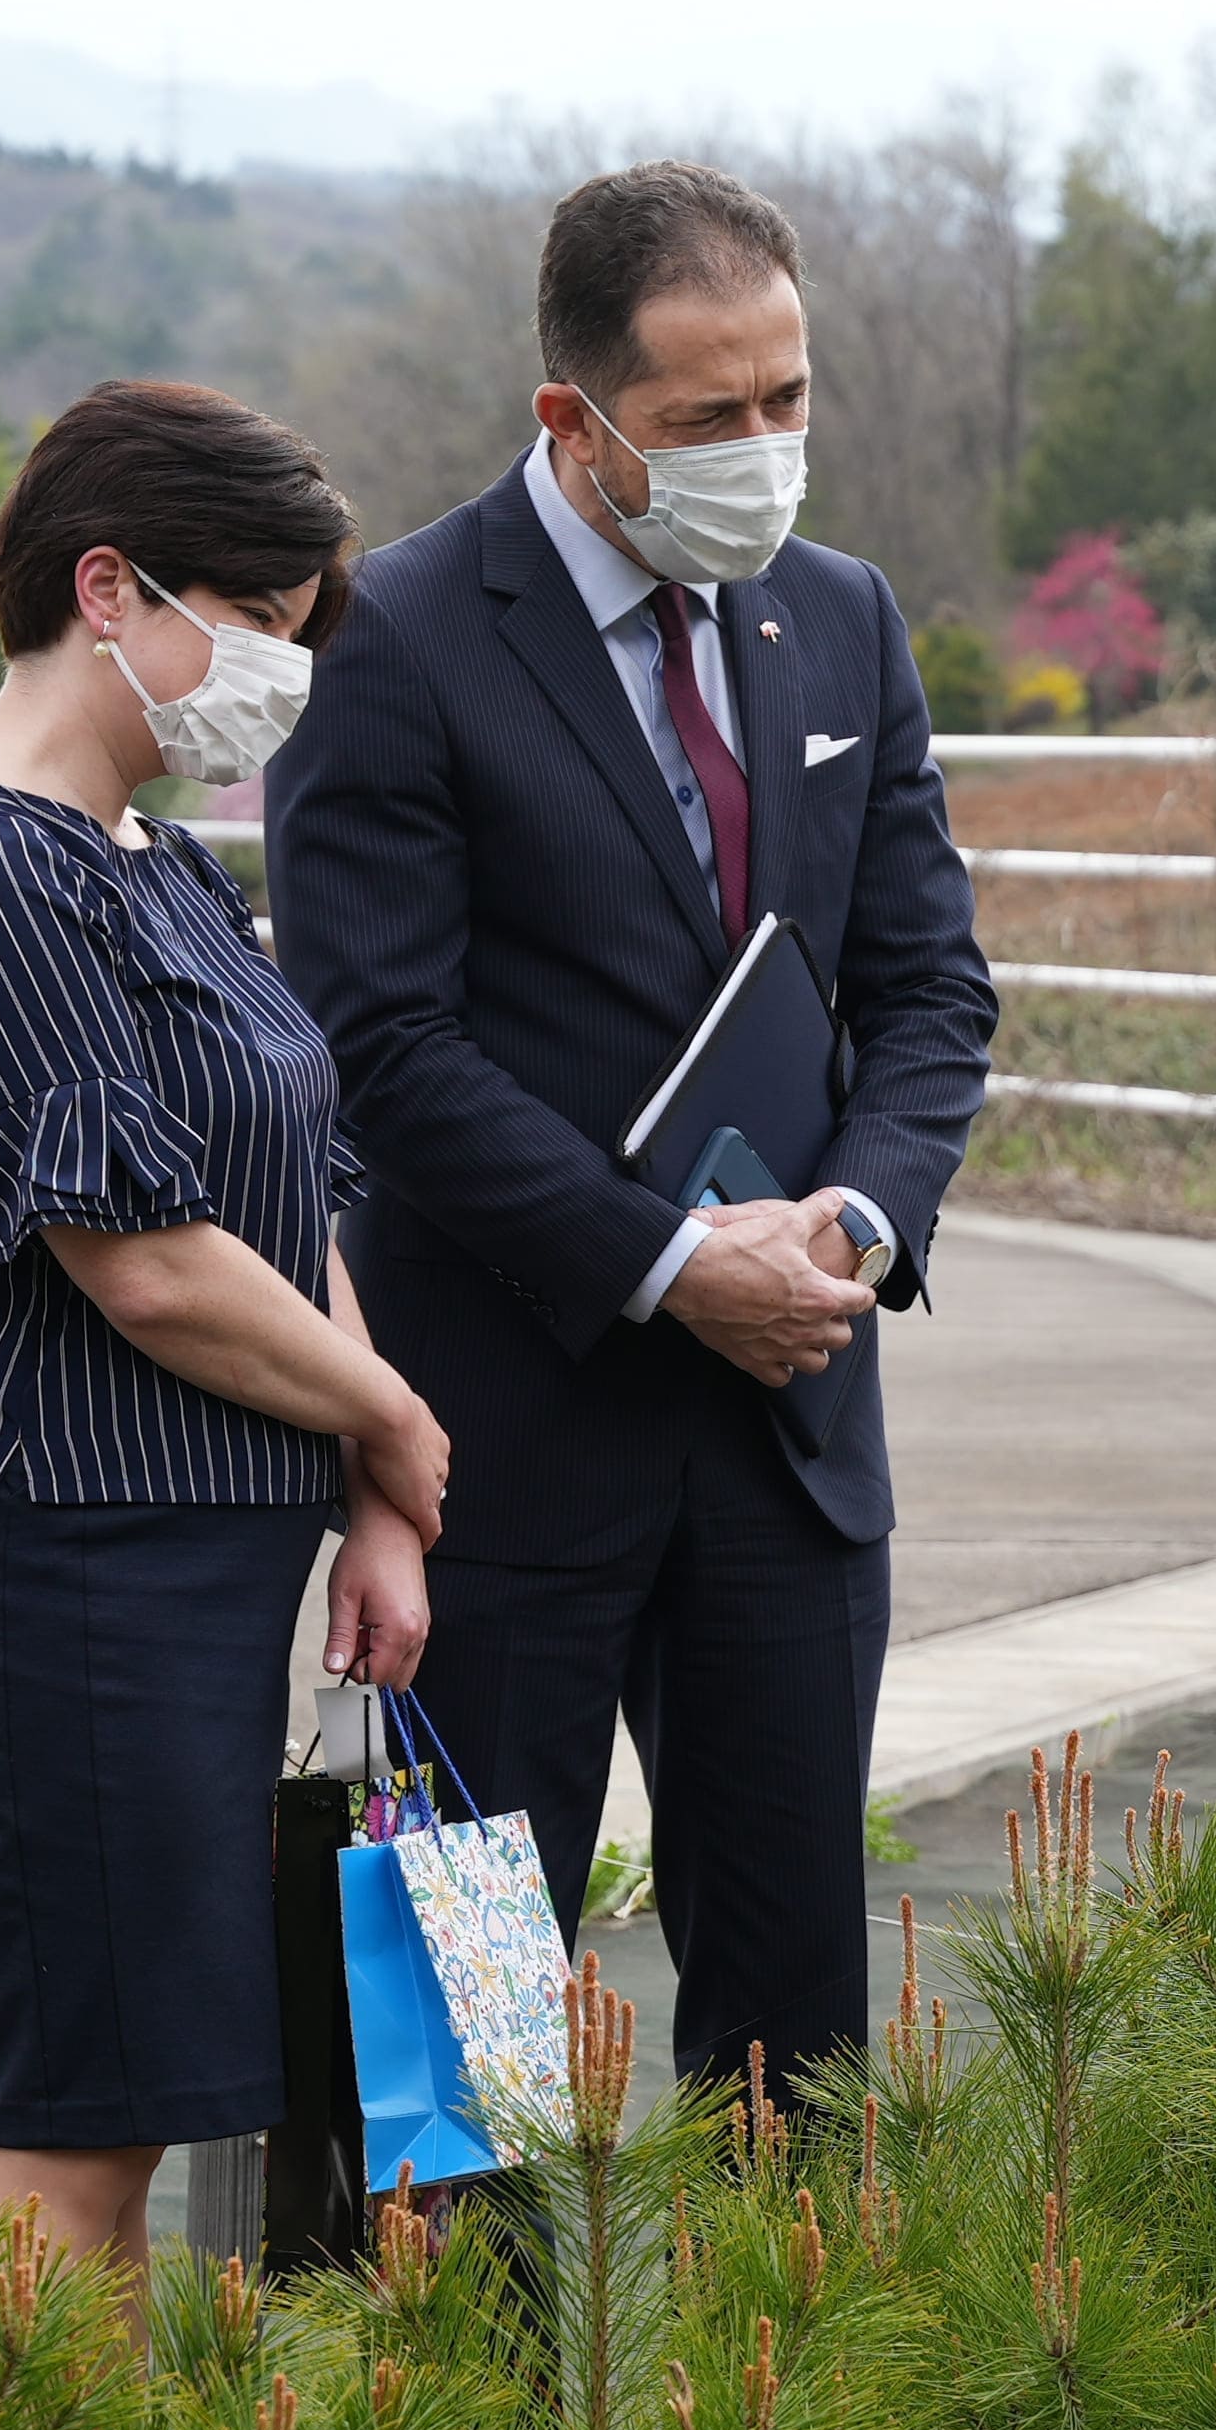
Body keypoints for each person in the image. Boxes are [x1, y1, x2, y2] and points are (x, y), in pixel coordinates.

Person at [271, 162, 997, 2100]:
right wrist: (673, 1265)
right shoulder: (398, 642)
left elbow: (932, 992)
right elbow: (385, 1053)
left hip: (792, 1435)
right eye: (705, 420)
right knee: (472, 2030)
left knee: (794, 2019)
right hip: (502, 1442)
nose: (763, 452)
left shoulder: (842, 623)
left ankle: (789, 2391)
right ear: (572, 426)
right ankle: (485, 2400)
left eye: (787, 401)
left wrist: (855, 1219)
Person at [0, 379, 448, 2257]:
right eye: (258, 620)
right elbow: (153, 1261)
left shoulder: (152, 863)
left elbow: (283, 1196)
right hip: (52, 1561)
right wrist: (403, 1427)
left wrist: (368, 1480)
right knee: (78, 2126)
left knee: (159, 2092)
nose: (279, 667)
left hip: (181, 1563)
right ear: (110, 588)